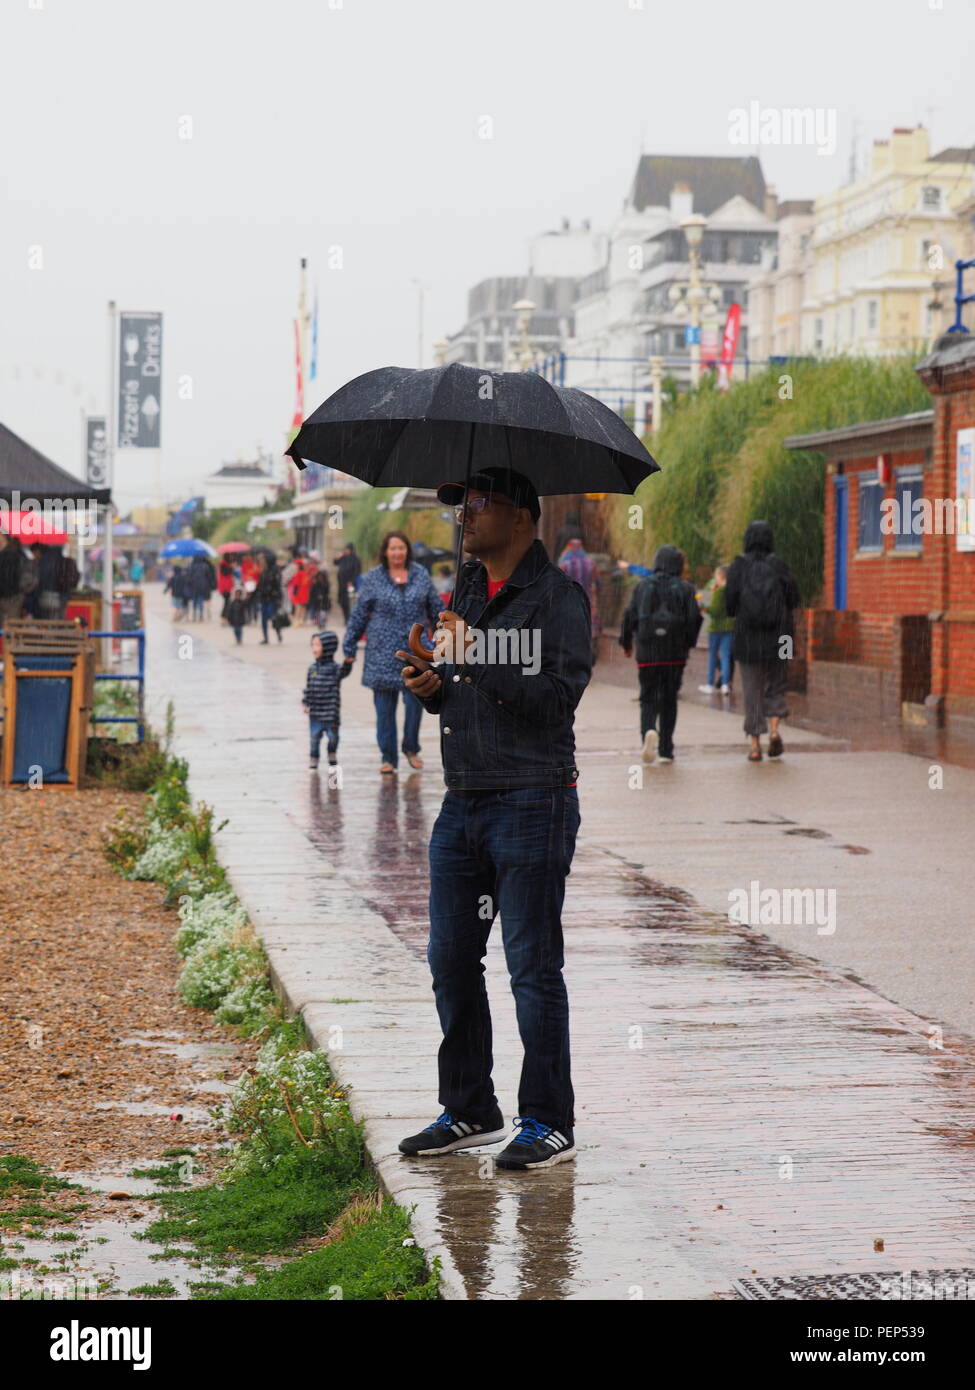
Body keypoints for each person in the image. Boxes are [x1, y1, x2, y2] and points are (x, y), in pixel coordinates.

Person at [397, 466, 591, 1171]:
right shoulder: (470, 591)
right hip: (464, 799)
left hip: (533, 799)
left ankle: (548, 1119)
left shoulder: (557, 599)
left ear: (522, 517)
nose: (466, 514)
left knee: (532, 968)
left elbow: (553, 700)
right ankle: (471, 1108)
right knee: (449, 958)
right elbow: (468, 691)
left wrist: (474, 655)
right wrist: (434, 686)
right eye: (460, 503)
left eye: (480, 504)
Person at [342, 531, 441, 773]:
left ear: (408, 550)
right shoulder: (373, 578)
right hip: (382, 652)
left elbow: (436, 607)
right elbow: (359, 614)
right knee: (384, 710)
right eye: (393, 548)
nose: (397, 553)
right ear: (385, 552)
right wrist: (349, 646)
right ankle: (387, 757)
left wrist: (445, 634)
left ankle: (411, 747)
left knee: (416, 703)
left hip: (416, 649)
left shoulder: (421, 575)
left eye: (401, 548)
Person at [725, 520, 800, 762]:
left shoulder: (738, 566)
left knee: (752, 690)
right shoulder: (779, 565)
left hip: (748, 638)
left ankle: (755, 744)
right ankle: (776, 730)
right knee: (777, 684)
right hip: (782, 637)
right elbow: (794, 599)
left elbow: (729, 605)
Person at [619, 544, 702, 764]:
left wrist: (626, 642)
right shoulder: (685, 589)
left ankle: (648, 731)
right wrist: (688, 643)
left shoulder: (642, 587)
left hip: (648, 653)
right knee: (669, 700)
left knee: (647, 697)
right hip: (675, 654)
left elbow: (629, 616)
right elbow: (695, 619)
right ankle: (666, 749)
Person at [302, 630, 351, 770]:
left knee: (333, 737)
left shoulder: (335, 669)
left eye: (317, 645)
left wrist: (348, 663)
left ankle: (332, 752)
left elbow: (344, 672)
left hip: (331, 713)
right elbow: (308, 688)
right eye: (312, 645)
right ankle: (314, 757)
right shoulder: (312, 669)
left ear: (328, 648)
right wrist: (306, 703)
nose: (314, 649)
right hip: (316, 713)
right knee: (314, 738)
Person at [558, 536, 601, 664]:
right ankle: (588, 655)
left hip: (569, 601)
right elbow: (598, 583)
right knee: (589, 627)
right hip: (588, 600)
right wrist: (596, 595)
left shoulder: (564, 565)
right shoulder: (591, 564)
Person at [698, 564, 734, 695]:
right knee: (725, 656)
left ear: (721, 576)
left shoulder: (719, 592)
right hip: (729, 628)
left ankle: (710, 684)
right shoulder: (734, 591)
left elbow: (715, 611)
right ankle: (725, 684)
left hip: (716, 629)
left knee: (713, 656)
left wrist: (702, 606)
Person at [36, 543, 79, 619]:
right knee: (57, 622)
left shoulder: (43, 561)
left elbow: (39, 579)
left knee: (44, 621)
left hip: (43, 596)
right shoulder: (64, 561)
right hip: (61, 597)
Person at [256, 552, 284, 643]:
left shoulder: (275, 571)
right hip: (264, 598)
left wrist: (278, 598)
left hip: (273, 598)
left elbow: (278, 585)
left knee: (273, 617)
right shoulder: (263, 571)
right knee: (263, 619)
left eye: (263, 560)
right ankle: (265, 638)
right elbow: (260, 585)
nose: (261, 561)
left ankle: (278, 632)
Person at [0, 532, 24, 629]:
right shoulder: (8, 554)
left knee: (9, 631)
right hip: (8, 597)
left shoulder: (10, 555)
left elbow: (9, 579)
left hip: (9, 599)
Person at [334, 542, 361, 623]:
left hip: (350, 585)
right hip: (341, 584)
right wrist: (338, 557)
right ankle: (346, 618)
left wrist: (351, 581)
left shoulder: (355, 559)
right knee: (342, 601)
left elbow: (357, 572)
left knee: (351, 601)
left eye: (348, 549)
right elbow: (335, 562)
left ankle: (351, 619)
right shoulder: (343, 557)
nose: (346, 551)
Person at [216, 556, 236, 621]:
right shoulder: (223, 564)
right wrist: (231, 567)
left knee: (227, 602)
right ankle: (224, 617)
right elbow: (225, 573)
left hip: (227, 585)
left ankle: (224, 617)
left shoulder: (226, 564)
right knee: (227, 602)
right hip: (225, 586)